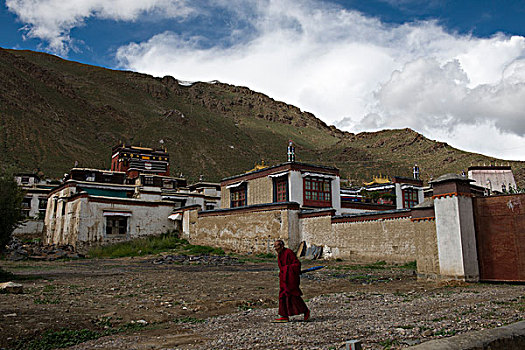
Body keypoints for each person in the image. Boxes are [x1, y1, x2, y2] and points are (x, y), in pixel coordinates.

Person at [273, 239, 310, 323]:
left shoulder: (288, 252)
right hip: (284, 278)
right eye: (274, 247)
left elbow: (297, 264)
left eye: (277, 246)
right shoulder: (280, 254)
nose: (275, 249)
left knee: (293, 296)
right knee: (282, 296)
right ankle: (284, 316)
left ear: (282, 246)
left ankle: (305, 311)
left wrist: (287, 269)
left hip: (290, 278)